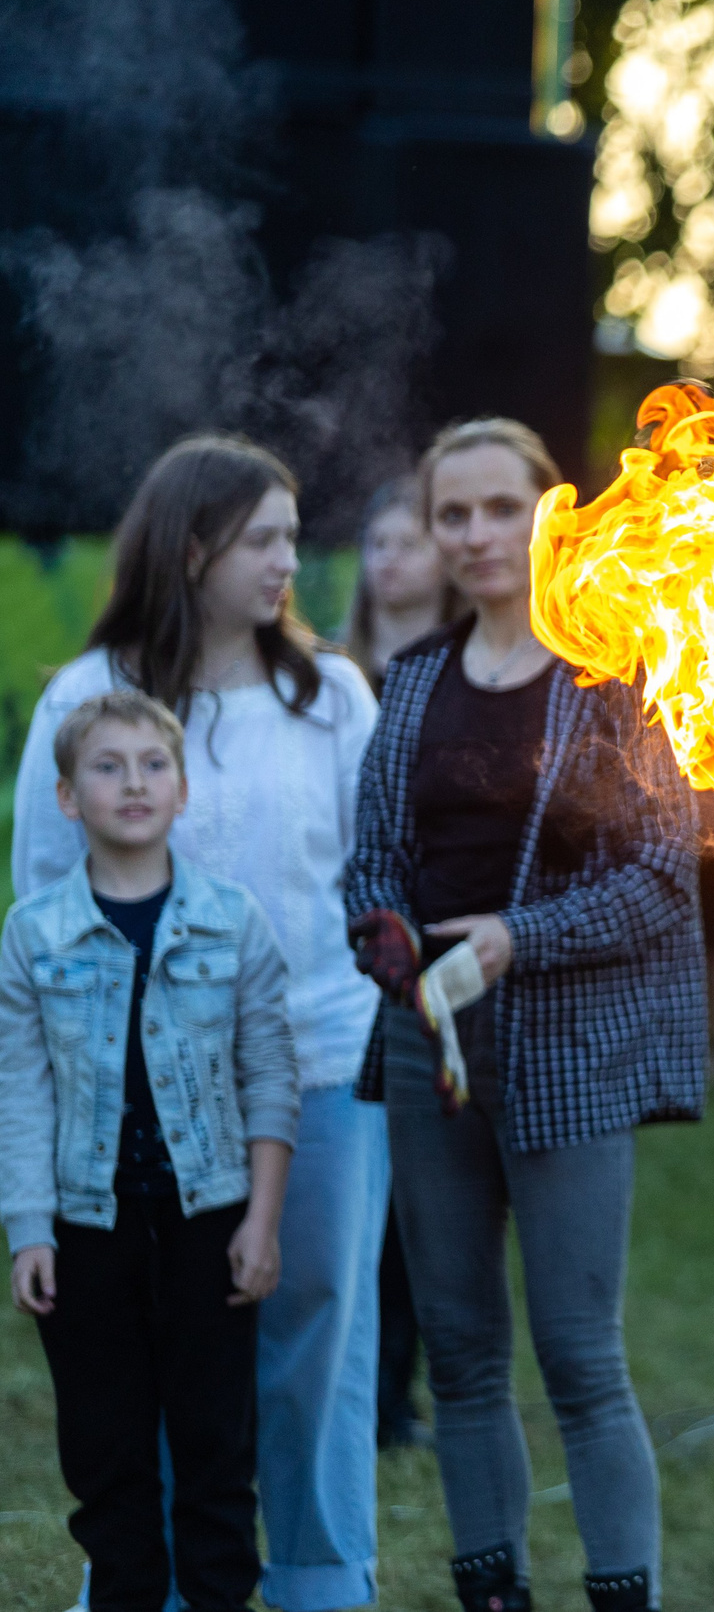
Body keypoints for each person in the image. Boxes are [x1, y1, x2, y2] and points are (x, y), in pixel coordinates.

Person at [12, 435, 387, 1611]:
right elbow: (39, 895)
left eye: (290, 535)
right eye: (263, 538)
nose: (290, 558)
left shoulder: (331, 696)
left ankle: (320, 1575)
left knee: (317, 1330)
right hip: (132, 1099)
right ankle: (147, 1580)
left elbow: (373, 876)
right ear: (191, 547)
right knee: (158, 1348)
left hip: (317, 1064)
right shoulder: (85, 700)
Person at [343, 417, 705, 1612]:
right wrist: (390, 941)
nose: (478, 533)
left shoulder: (614, 678)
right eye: (455, 514)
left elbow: (661, 872)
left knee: (579, 1358)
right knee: (457, 1352)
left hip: (566, 1046)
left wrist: (516, 942)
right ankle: (491, 1595)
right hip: (426, 1042)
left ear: (552, 516)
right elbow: (375, 858)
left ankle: (620, 1594)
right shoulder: (414, 678)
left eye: (502, 508)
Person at [3, 691, 299, 1612]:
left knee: (216, 1455)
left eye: (152, 764)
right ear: (65, 797)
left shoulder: (233, 920)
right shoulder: (33, 932)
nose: (133, 781)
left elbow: (269, 1072)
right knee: (108, 1457)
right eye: (107, 765)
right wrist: (28, 1229)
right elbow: (19, 1089)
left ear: (181, 790)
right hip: (85, 1226)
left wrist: (260, 1217)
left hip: (209, 1217)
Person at [340, 473, 458, 1452]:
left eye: (407, 540)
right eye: (375, 542)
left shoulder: (467, 679)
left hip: (435, 958)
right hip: (338, 948)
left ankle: (394, 1390)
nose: (389, 559)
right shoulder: (328, 676)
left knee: (417, 1194)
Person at [344, 473, 464, 685]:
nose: (389, 557)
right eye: (378, 543)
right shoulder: (332, 667)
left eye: (409, 544)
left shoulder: (471, 668)